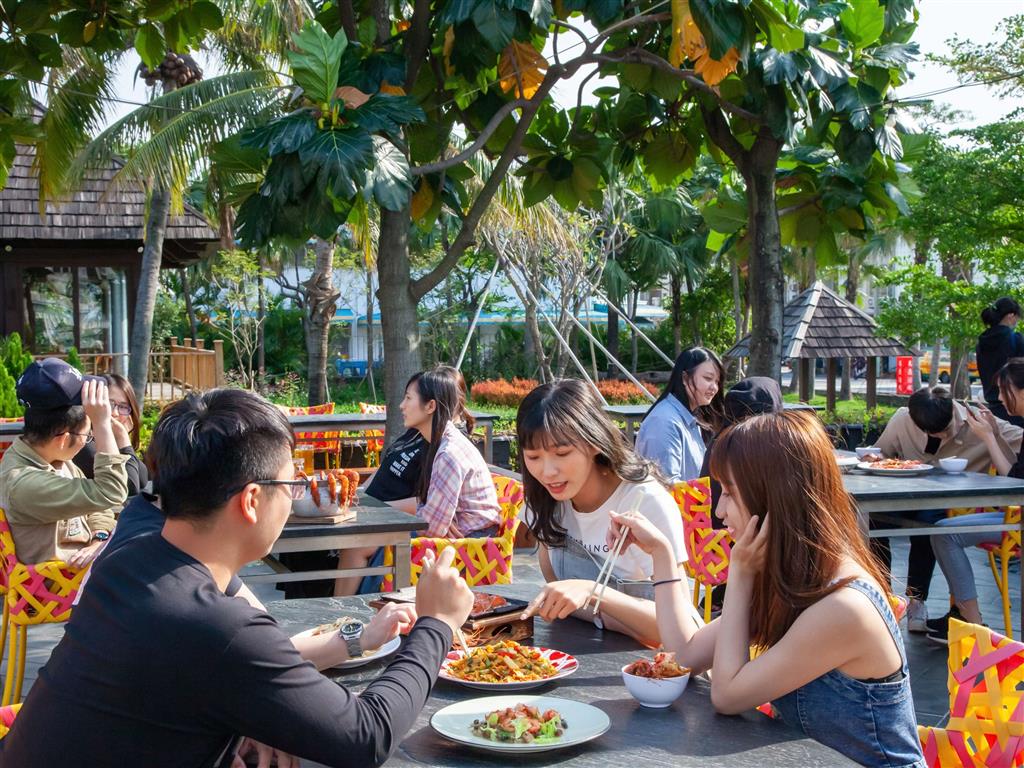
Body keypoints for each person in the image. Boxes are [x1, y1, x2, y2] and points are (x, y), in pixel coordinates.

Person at [0, 388, 476, 768]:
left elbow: (223, 672)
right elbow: (366, 738)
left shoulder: (131, 560)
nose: (293, 498)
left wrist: (247, 717)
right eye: (291, 484)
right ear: (251, 501)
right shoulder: (216, 625)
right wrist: (436, 623)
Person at [610, 411, 925, 767]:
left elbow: (727, 696)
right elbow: (684, 656)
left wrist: (741, 575)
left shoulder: (844, 606)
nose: (719, 510)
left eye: (730, 492)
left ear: (774, 497)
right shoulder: (796, 578)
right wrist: (661, 554)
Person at [516, 379, 689, 646]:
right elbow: (556, 587)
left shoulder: (643, 501)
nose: (547, 472)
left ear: (594, 442)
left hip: (642, 663)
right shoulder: (545, 496)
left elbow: (680, 624)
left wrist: (593, 593)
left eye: (562, 453)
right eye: (533, 457)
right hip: (575, 648)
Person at [868, 385, 1023, 632]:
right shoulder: (903, 419)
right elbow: (877, 454)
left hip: (947, 505)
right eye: (931, 432)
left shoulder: (976, 422)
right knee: (872, 519)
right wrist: (876, 460)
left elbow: (1018, 441)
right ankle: (883, 598)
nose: (940, 436)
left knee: (929, 523)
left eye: (944, 430)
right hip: (901, 495)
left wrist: (992, 435)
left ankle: (917, 600)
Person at [334, 366, 500, 595]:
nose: (401, 406)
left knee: (358, 544)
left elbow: (433, 526)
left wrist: (389, 512)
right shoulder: (434, 441)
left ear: (430, 406)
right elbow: (433, 514)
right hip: (458, 532)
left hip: (472, 542)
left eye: (408, 398)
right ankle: (345, 608)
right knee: (358, 542)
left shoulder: (448, 452)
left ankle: (348, 609)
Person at [927, 359, 1024, 643]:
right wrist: (995, 433)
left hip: (1017, 520)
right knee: (943, 531)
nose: (1000, 398)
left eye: (1005, 390)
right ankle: (974, 626)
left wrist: (988, 438)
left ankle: (976, 628)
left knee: (945, 534)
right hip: (1014, 514)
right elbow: (1017, 474)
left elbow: (1017, 485)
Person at [0, 359, 125, 568]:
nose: (88, 440)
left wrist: (99, 537)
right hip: (58, 584)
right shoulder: (24, 484)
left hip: (84, 571)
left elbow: (98, 505)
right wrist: (102, 424)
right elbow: (111, 491)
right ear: (64, 439)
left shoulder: (53, 458)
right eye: (89, 435)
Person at [635, 347, 725, 483]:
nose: (714, 387)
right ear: (685, 378)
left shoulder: (689, 418)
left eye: (717, 381)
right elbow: (666, 485)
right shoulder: (664, 422)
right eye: (708, 378)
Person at [72, 373, 149, 496]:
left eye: (123, 407)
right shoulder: (83, 442)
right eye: (109, 404)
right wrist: (122, 438)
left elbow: (143, 478)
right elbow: (130, 487)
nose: (115, 413)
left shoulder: (112, 439)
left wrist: (123, 443)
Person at [976, 297, 1024, 426]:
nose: (1017, 322)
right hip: (1016, 410)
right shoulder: (1016, 340)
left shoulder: (981, 343)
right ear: (1010, 315)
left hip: (993, 412)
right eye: (1017, 318)